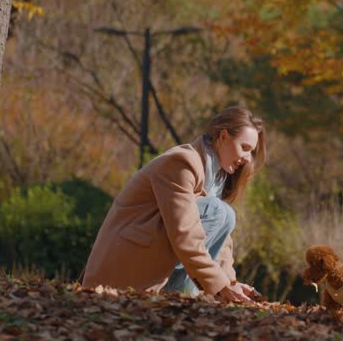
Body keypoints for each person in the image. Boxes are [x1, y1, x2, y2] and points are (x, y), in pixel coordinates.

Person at [82, 106, 266, 303]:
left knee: (227, 215)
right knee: (218, 211)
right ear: (223, 137)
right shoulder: (181, 163)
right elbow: (185, 234)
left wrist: (230, 284)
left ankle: (183, 295)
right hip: (122, 272)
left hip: (151, 261)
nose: (247, 158)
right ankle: (177, 295)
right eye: (245, 148)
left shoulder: (215, 175)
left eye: (251, 151)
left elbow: (222, 242)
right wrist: (219, 287)